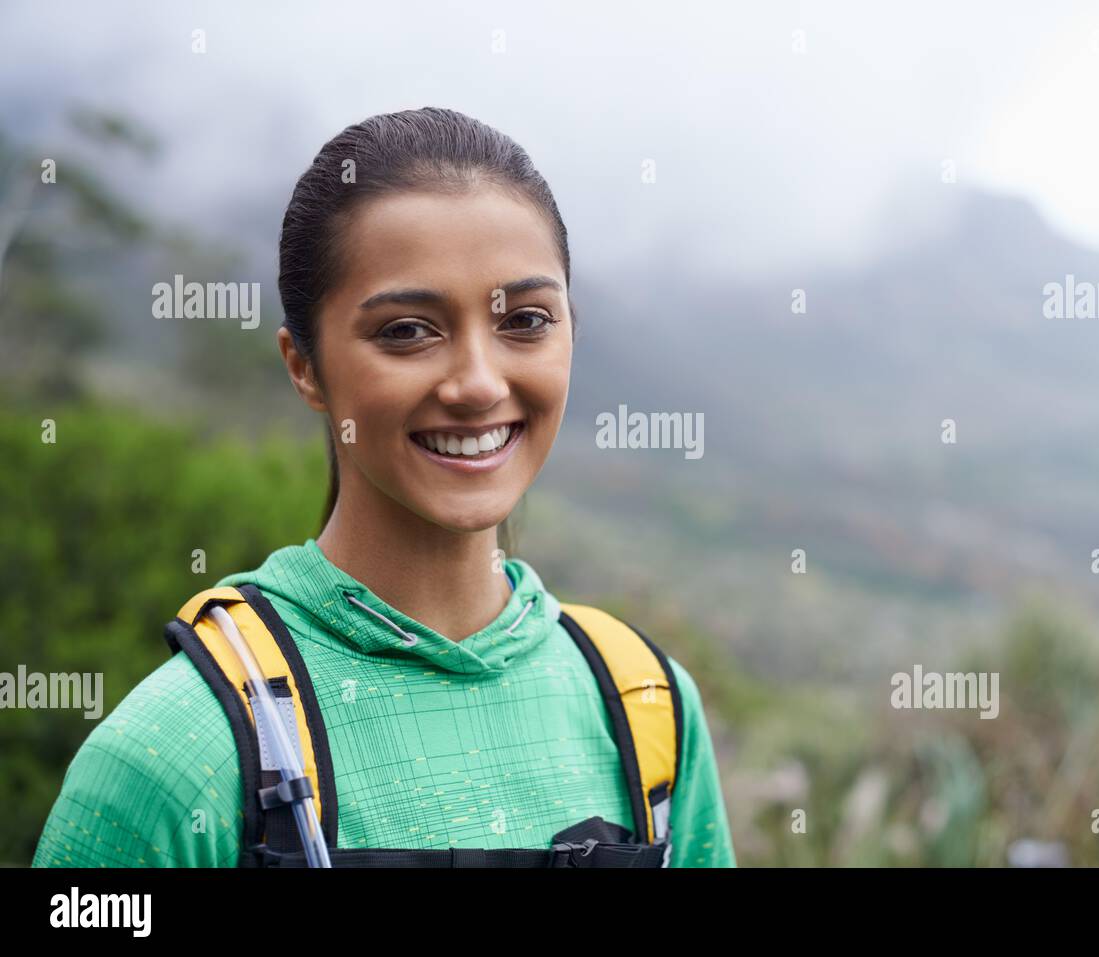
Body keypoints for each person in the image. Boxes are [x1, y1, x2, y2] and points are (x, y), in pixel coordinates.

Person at [32, 107, 735, 868]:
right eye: (406, 330)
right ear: (304, 366)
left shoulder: (645, 709)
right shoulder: (175, 754)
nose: (476, 382)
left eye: (526, 320)